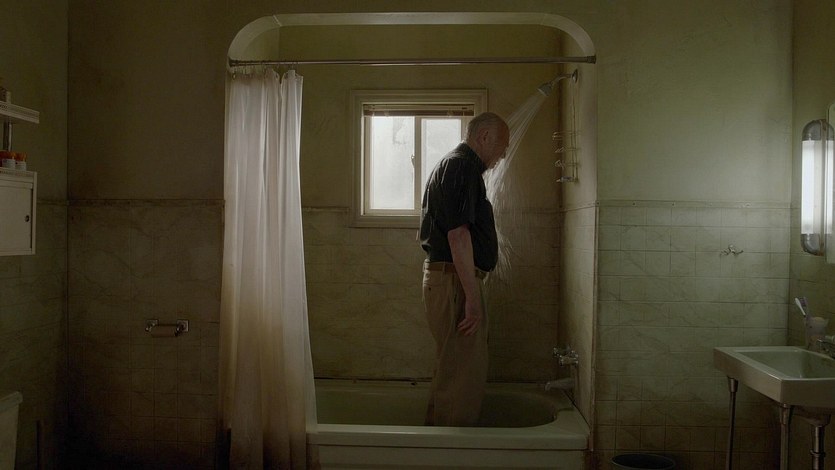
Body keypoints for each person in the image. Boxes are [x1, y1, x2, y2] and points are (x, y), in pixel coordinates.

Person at [418, 112, 509, 426]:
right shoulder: (462, 167)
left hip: (449, 279)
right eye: (502, 146)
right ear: (484, 136)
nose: (503, 155)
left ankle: (437, 447)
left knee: (453, 372)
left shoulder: (454, 166)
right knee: (462, 380)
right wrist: (471, 298)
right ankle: (450, 450)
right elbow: (458, 235)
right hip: (454, 282)